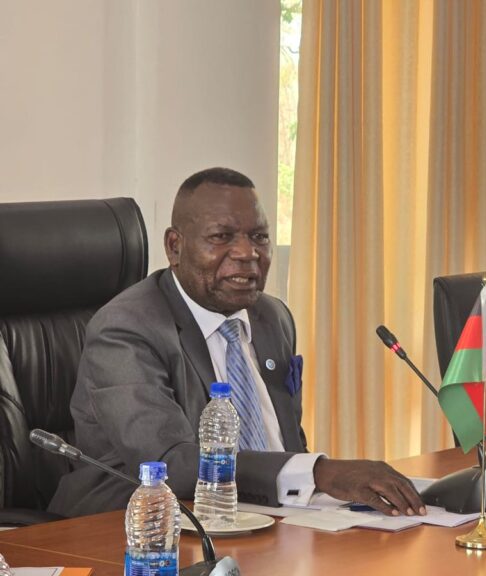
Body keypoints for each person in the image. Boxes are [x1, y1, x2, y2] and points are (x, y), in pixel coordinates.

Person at [49, 167, 425, 518]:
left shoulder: (272, 317)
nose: (248, 253)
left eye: (259, 237)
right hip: (140, 526)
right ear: (175, 247)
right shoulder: (125, 328)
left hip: (273, 517)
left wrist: (322, 494)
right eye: (221, 237)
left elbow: (286, 444)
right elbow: (169, 464)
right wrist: (318, 472)